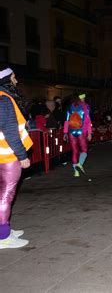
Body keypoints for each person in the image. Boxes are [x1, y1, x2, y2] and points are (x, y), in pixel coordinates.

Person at [0, 66, 32, 249]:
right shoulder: (4, 100)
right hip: (8, 155)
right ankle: (3, 237)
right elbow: (11, 131)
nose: (16, 81)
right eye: (14, 77)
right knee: (6, 195)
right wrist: (22, 155)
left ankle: (4, 229)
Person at [63, 93, 92, 177]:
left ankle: (76, 172)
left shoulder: (69, 107)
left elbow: (67, 121)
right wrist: (89, 132)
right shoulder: (85, 106)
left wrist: (65, 133)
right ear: (80, 99)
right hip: (81, 131)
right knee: (84, 150)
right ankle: (80, 164)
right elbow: (88, 120)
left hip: (71, 131)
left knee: (75, 151)